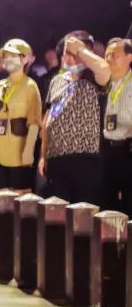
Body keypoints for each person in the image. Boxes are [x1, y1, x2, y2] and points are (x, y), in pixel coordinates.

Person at [40, 31, 111, 206]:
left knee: (84, 213)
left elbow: (105, 69)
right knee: (56, 213)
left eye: (74, 54)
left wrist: (80, 50)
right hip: (56, 158)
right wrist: (43, 155)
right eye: (67, 53)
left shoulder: (94, 76)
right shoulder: (56, 81)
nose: (69, 58)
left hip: (86, 158)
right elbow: (48, 120)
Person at [0, 39, 43, 192]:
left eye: (13, 56)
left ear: (25, 59)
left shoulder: (30, 86)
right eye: (5, 56)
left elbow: (34, 123)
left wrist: (28, 153)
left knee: (19, 199)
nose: (8, 59)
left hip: (19, 156)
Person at [101, 38, 132, 214]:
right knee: (106, 204)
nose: (109, 59)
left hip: (128, 150)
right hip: (106, 150)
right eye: (107, 55)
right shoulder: (102, 84)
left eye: (115, 55)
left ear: (129, 57)